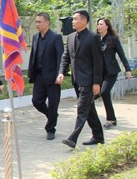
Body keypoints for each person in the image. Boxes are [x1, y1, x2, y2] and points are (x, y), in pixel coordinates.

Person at [57, 10, 104, 148]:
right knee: (89, 109)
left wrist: (96, 82)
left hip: (89, 81)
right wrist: (61, 72)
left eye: (75, 19)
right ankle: (98, 136)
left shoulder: (93, 37)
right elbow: (66, 57)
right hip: (77, 80)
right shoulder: (71, 37)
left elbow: (98, 62)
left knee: (82, 108)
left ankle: (73, 138)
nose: (72, 21)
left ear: (84, 21)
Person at [27, 13, 64, 140]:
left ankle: (50, 129)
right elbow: (33, 55)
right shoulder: (35, 37)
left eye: (40, 22)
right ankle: (52, 115)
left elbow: (61, 57)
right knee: (36, 101)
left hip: (53, 77)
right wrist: (30, 73)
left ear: (47, 23)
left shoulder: (56, 37)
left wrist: (60, 73)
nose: (37, 24)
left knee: (53, 103)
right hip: (39, 76)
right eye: (36, 22)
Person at [96, 17, 133, 129]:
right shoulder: (96, 39)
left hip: (111, 72)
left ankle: (111, 119)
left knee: (105, 92)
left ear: (107, 26)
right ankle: (87, 116)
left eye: (101, 24)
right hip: (98, 72)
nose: (99, 26)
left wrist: (128, 70)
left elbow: (121, 55)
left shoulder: (113, 39)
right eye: (98, 24)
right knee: (92, 94)